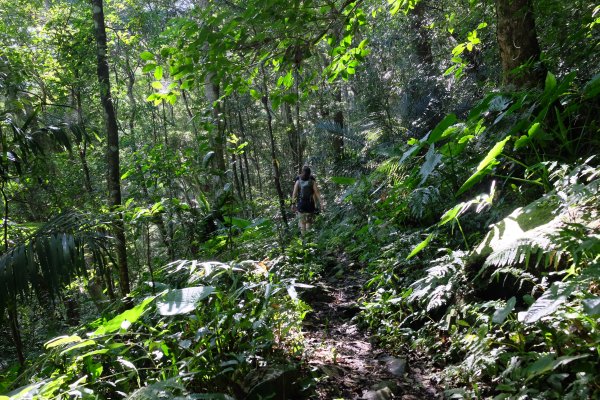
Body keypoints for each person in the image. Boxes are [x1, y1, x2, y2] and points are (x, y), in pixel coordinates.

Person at [291, 165, 322, 235]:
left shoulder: (298, 180)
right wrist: (321, 203)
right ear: (309, 173)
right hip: (310, 204)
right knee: (309, 222)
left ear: (302, 172)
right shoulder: (312, 181)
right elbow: (317, 192)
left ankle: (303, 240)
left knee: (302, 223)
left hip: (301, 203)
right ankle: (308, 240)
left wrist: (293, 204)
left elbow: (294, 193)